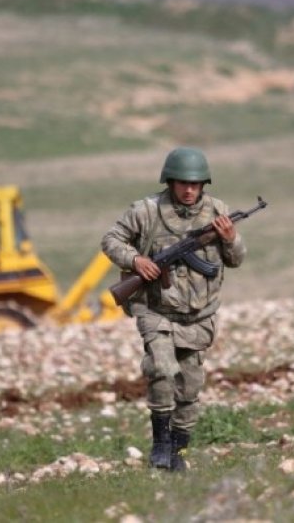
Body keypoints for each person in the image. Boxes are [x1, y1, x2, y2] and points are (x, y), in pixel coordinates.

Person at [101, 146, 246, 472]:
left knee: (190, 387)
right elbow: (111, 240)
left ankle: (178, 450)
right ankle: (161, 445)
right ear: (169, 182)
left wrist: (230, 238)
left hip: (200, 315)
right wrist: (136, 260)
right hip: (157, 311)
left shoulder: (218, 212)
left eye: (195, 183)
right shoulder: (146, 212)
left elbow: (235, 260)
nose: (189, 189)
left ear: (205, 184)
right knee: (162, 369)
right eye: (182, 183)